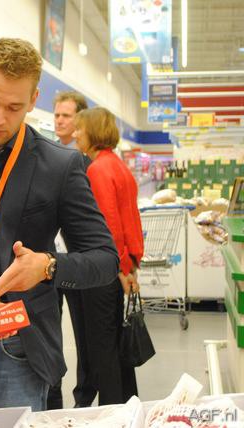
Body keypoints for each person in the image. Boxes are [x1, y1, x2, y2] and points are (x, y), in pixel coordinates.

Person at [0, 37, 119, 413]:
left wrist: (47, 266)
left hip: (15, 344)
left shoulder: (60, 165)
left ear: (33, 101)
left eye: (14, 107)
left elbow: (105, 258)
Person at [72, 106, 143, 405]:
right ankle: (129, 406)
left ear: (93, 131)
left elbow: (108, 227)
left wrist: (120, 269)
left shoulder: (97, 169)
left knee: (103, 350)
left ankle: (112, 412)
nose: (75, 133)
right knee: (116, 344)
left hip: (103, 271)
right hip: (121, 266)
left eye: (80, 128)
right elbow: (130, 221)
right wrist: (130, 267)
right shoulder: (118, 166)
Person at [48, 90, 90, 410]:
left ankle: (83, 400)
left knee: (84, 335)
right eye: (57, 115)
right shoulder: (47, 157)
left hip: (77, 262)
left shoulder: (85, 162)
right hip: (48, 261)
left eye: (67, 115)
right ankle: (52, 398)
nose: (60, 121)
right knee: (50, 332)